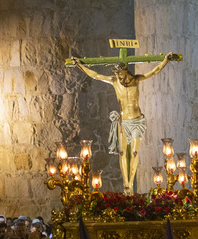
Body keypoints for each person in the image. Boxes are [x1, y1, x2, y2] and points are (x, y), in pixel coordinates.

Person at [69, 52, 179, 193]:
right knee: (122, 152)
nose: (119, 77)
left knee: (134, 152)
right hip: (124, 121)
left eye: (120, 74)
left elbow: (154, 71)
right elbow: (96, 75)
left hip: (136, 120)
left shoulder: (136, 80)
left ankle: (131, 182)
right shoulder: (114, 82)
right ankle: (126, 183)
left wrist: (165, 61)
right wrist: (79, 65)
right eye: (117, 74)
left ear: (125, 71)